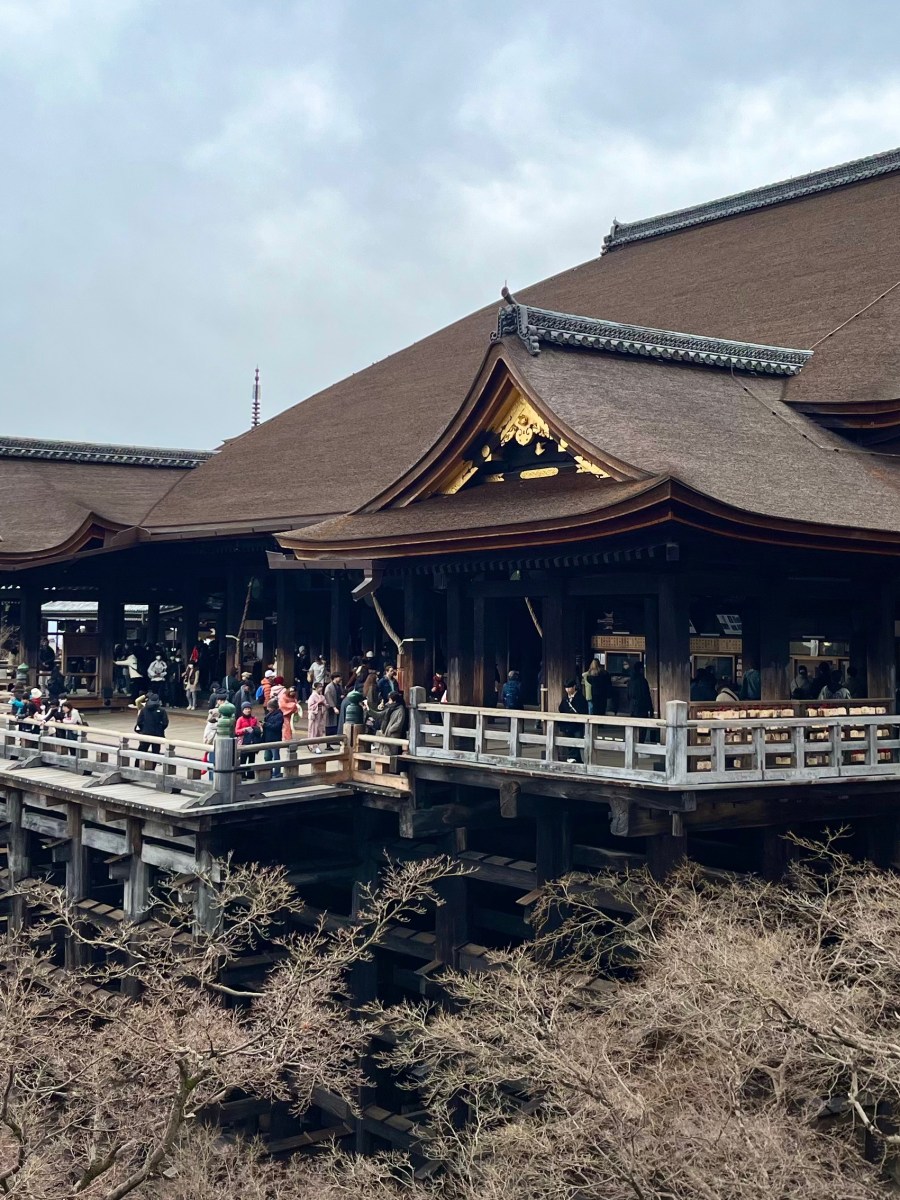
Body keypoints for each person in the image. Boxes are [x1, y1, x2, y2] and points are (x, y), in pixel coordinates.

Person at [134, 692, 169, 769]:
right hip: (157, 734)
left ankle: (136, 767)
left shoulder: (144, 709)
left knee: (141, 751)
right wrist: (160, 729)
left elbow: (139, 722)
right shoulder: (162, 710)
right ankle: (152, 768)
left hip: (145, 733)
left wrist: (143, 729)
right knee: (155, 753)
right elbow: (165, 723)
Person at [558, 679, 588, 763]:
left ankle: (573, 757)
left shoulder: (580, 698)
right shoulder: (565, 698)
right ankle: (575, 758)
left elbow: (583, 710)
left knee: (577, 740)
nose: (567, 690)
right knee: (569, 739)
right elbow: (561, 708)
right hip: (567, 723)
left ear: (574, 687)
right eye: (566, 688)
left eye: (569, 688)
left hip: (577, 724)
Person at [235, 701, 261, 778]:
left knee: (252, 759)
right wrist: (244, 730)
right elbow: (236, 731)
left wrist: (256, 729)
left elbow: (258, 728)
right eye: (246, 709)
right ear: (242, 710)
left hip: (252, 741)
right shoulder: (240, 719)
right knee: (243, 759)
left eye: (249, 708)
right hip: (243, 742)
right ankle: (242, 775)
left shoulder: (254, 719)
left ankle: (250, 774)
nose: (248, 710)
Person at [261, 699, 284, 778]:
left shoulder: (279, 715)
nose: (267, 708)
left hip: (275, 738)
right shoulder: (269, 714)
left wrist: (265, 724)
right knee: (267, 757)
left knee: (275, 757)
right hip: (267, 738)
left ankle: (277, 772)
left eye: (269, 707)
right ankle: (269, 771)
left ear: (273, 707)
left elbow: (276, 727)